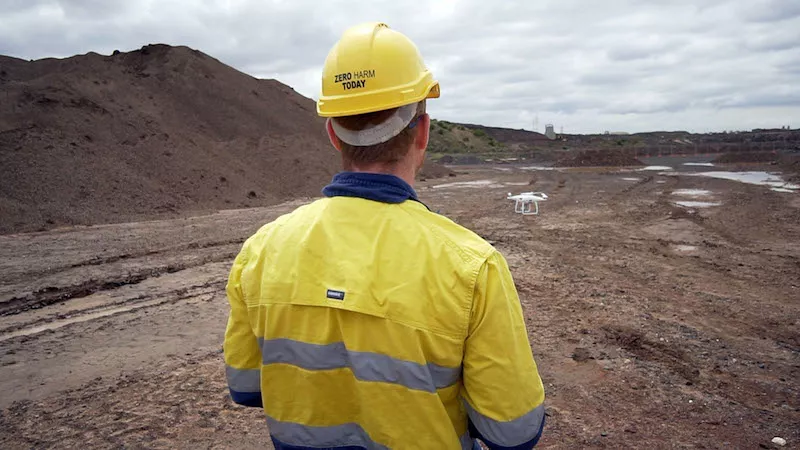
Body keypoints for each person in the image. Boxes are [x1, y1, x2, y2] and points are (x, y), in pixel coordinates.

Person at [223, 22, 545, 450]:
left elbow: (246, 386)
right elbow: (513, 432)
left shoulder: (261, 250)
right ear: (424, 132)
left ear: (333, 133)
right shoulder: (473, 267)